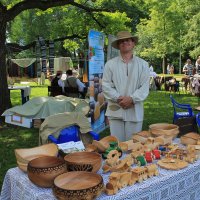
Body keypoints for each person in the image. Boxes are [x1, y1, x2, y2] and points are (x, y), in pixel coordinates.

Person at [102, 30, 150, 142]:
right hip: (116, 110)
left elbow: (144, 87)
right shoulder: (110, 64)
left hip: (135, 110)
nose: (124, 43)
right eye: (121, 41)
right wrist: (119, 98)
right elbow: (106, 85)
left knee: (133, 145)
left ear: (133, 43)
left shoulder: (143, 64)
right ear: (118, 46)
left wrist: (132, 99)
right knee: (117, 144)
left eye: (127, 40)